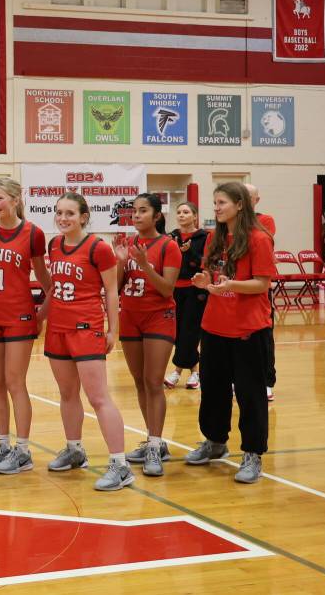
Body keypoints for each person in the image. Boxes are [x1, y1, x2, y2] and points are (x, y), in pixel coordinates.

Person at [187, 182, 276, 484]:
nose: (216, 207)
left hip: (248, 329)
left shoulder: (258, 238)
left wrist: (231, 285)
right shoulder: (215, 237)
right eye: (214, 202)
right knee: (212, 389)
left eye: (222, 202)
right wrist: (204, 280)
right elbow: (212, 274)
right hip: (214, 326)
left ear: (240, 205)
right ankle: (215, 442)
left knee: (250, 394)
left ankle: (252, 454)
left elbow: (262, 284)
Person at [44, 192, 132, 491]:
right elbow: (55, 287)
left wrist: (113, 330)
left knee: (98, 397)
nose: (63, 218)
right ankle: (74, 449)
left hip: (86, 327)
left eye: (70, 213)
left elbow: (111, 291)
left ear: (83, 217)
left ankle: (120, 465)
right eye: (59, 212)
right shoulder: (54, 244)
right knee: (67, 394)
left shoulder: (98, 247)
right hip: (58, 326)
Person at [0, 178, 52, 475]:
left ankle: (23, 450)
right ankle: (3, 443)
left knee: (14, 382)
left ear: (16, 199)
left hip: (19, 316)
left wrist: (42, 314)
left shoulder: (33, 233)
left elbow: (46, 281)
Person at [114, 193, 181, 477]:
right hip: (130, 316)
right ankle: (154, 439)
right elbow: (116, 287)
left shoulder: (169, 246)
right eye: (134, 211)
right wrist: (119, 263)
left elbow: (167, 289)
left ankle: (154, 445)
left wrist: (143, 265)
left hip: (158, 317)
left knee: (154, 382)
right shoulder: (128, 244)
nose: (137, 216)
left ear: (157, 216)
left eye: (143, 211)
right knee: (139, 381)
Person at [165, 202, 208, 389]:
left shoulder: (204, 237)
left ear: (195, 216)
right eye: (179, 212)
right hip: (175, 290)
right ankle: (196, 373)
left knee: (190, 332)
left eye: (186, 212)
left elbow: (204, 263)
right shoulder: (171, 237)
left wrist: (188, 252)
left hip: (195, 290)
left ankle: (177, 371)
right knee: (178, 333)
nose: (182, 215)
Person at [244, 183, 276, 402]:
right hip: (235, 287)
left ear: (257, 200)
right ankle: (241, 380)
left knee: (264, 337)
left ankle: (267, 381)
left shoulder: (265, 220)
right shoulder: (228, 222)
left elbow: (253, 243)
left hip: (259, 284)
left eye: (249, 195)